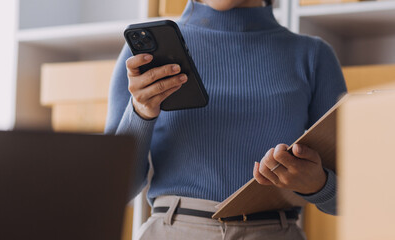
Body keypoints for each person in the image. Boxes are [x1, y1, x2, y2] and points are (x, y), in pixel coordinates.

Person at [105, 0, 347, 239]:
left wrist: (318, 184)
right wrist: (140, 112)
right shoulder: (141, 57)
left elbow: (352, 198)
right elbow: (113, 192)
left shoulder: (314, 56)